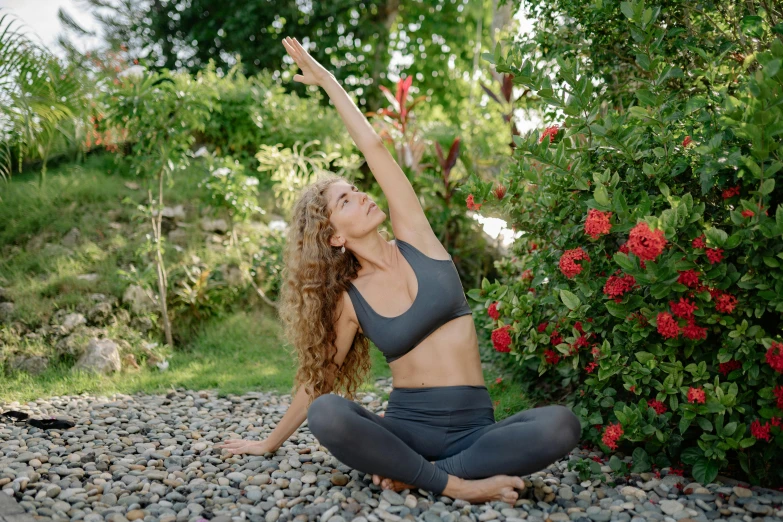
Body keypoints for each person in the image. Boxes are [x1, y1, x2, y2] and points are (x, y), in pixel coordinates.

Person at [215, 36, 581, 504]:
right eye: (345, 201)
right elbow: (317, 381)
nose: (363, 195)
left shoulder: (417, 240)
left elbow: (373, 147)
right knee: (330, 412)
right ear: (334, 237)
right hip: (407, 433)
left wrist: (328, 82)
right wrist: (267, 443)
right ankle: (460, 485)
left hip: (475, 433)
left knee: (560, 425)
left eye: (355, 189)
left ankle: (424, 477)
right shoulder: (351, 299)